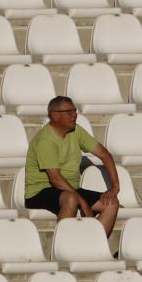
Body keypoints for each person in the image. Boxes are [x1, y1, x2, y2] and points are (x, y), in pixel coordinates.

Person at [23, 95, 122, 237]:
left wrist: (115, 187)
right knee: (71, 199)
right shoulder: (45, 141)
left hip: (69, 189)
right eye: (69, 112)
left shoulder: (75, 130)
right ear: (55, 116)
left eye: (75, 111)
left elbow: (104, 154)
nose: (74, 115)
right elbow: (55, 179)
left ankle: (92, 247)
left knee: (111, 204)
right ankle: (63, 249)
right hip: (40, 191)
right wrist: (83, 203)